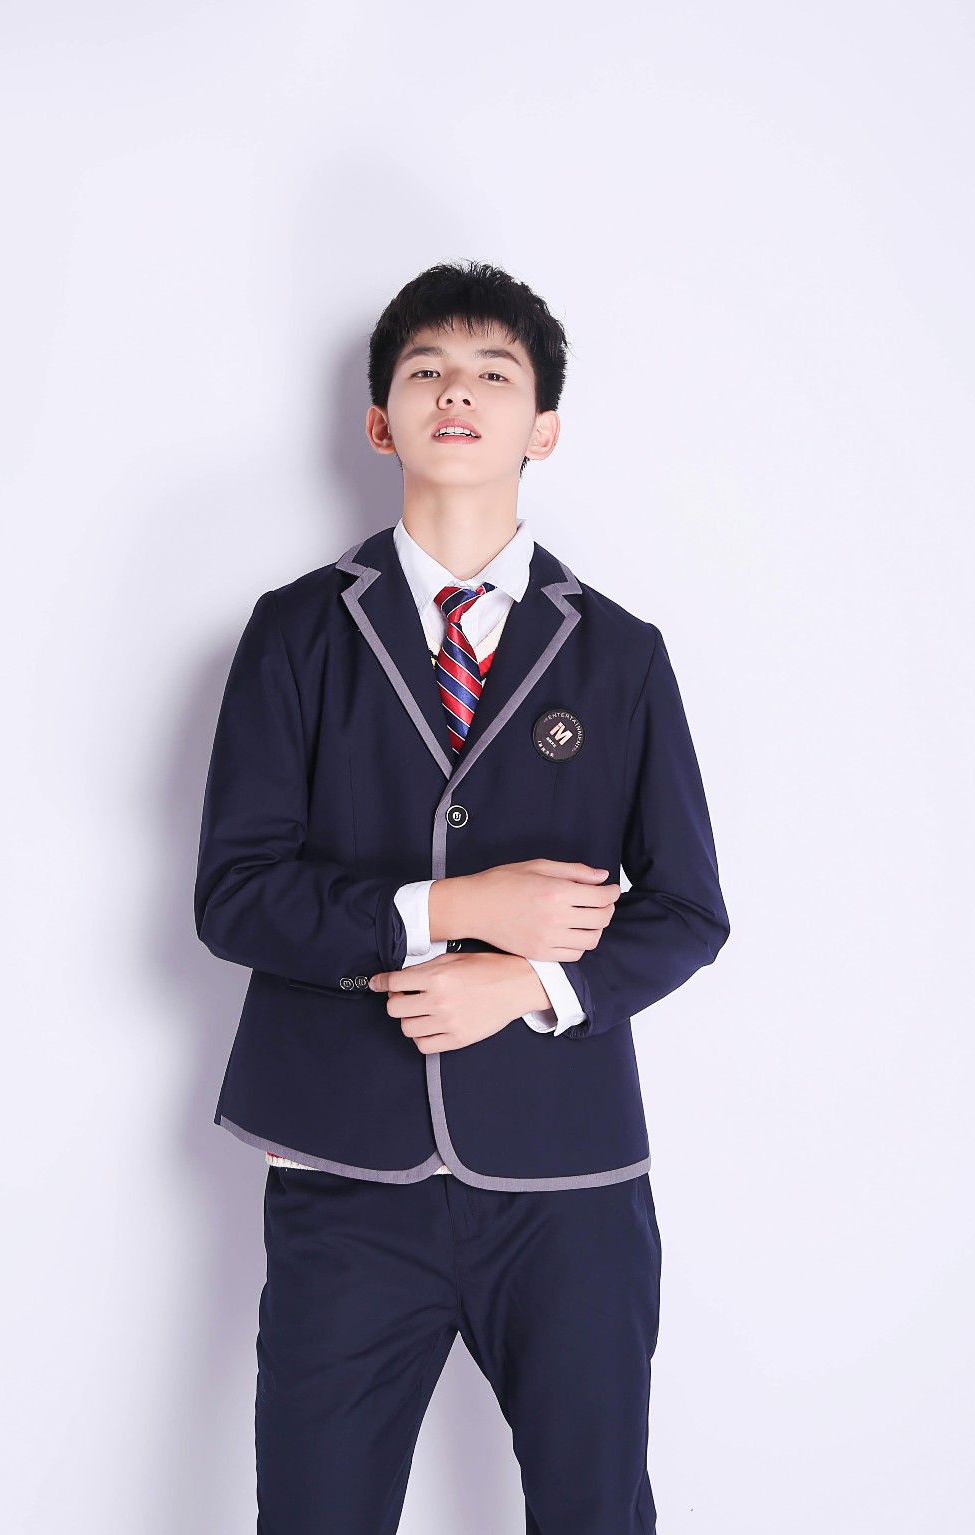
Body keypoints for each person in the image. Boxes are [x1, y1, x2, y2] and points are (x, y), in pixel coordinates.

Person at [193, 258, 730, 1534]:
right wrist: (452, 907)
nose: (457, 391)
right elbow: (235, 894)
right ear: (379, 421)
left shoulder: (620, 653)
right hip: (343, 1174)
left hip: (569, 1183)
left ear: (543, 427)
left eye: (495, 372)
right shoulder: (295, 631)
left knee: (596, 1511)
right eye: (426, 369)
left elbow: (687, 909)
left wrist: (529, 982)